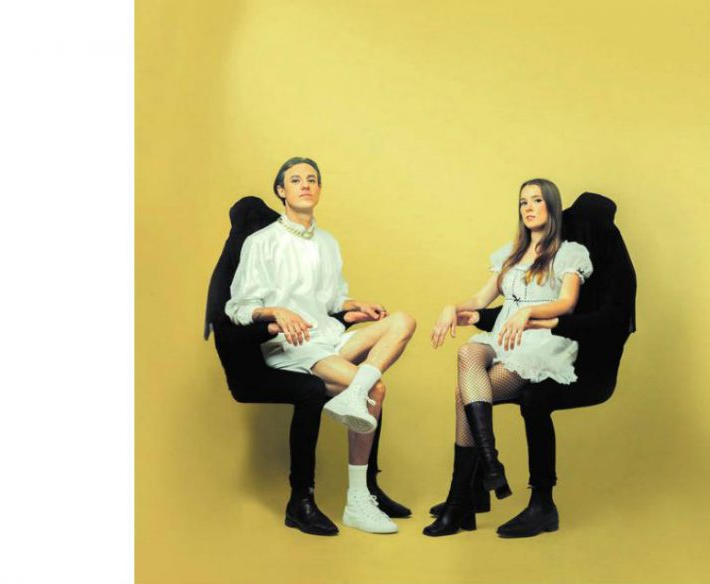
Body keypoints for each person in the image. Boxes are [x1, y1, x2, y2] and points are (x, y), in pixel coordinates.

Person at [225, 157, 417, 535]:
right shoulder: (261, 242)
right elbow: (237, 308)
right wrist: (275, 311)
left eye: (312, 179)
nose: (305, 185)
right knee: (375, 389)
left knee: (403, 321)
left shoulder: (328, 242)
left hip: (329, 338)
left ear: (319, 190)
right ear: (281, 191)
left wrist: (354, 306)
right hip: (292, 345)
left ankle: (354, 398)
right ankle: (358, 500)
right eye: (296, 180)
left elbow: (332, 301)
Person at [423, 178, 593, 537]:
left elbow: (567, 303)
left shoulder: (569, 252)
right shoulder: (509, 254)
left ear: (552, 206)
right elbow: (479, 299)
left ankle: (460, 502)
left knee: (463, 394)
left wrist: (528, 312)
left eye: (536, 200)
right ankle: (490, 464)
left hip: (538, 342)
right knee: (468, 351)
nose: (528, 208)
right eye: (523, 202)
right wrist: (451, 307)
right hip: (502, 336)